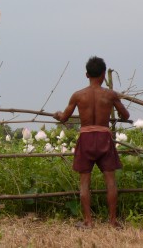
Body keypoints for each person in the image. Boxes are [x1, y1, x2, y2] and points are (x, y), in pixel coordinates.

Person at [53, 56, 130, 229]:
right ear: (103, 74)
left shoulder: (78, 95)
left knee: (84, 184)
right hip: (104, 138)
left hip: (86, 139)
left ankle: (88, 221)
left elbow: (64, 118)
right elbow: (125, 115)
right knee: (111, 182)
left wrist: (57, 114)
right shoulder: (110, 95)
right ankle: (112, 221)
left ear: (86, 74)